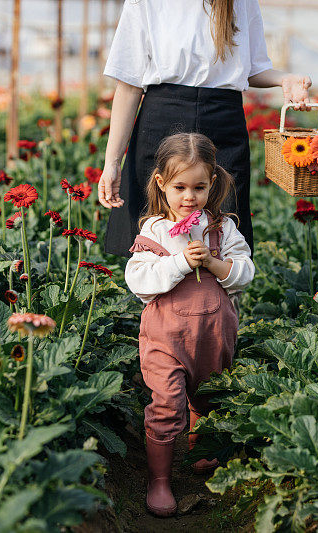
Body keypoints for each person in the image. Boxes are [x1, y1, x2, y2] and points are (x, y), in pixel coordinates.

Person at [98, 0, 312, 258]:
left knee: (225, 238)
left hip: (223, 124)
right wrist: (111, 162)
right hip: (162, 122)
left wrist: (283, 79)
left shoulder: (242, 2)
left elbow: (253, 67)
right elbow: (129, 84)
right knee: (156, 236)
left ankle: (223, 299)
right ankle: (156, 300)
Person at [124, 133, 255, 517]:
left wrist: (215, 264)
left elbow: (245, 274)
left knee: (209, 394)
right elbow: (140, 282)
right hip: (166, 337)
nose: (189, 197)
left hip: (214, 336)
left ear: (212, 183)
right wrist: (180, 262)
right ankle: (160, 479)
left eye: (199, 187)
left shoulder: (223, 229)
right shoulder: (154, 231)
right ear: (161, 184)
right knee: (167, 403)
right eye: (179, 187)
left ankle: (202, 444)